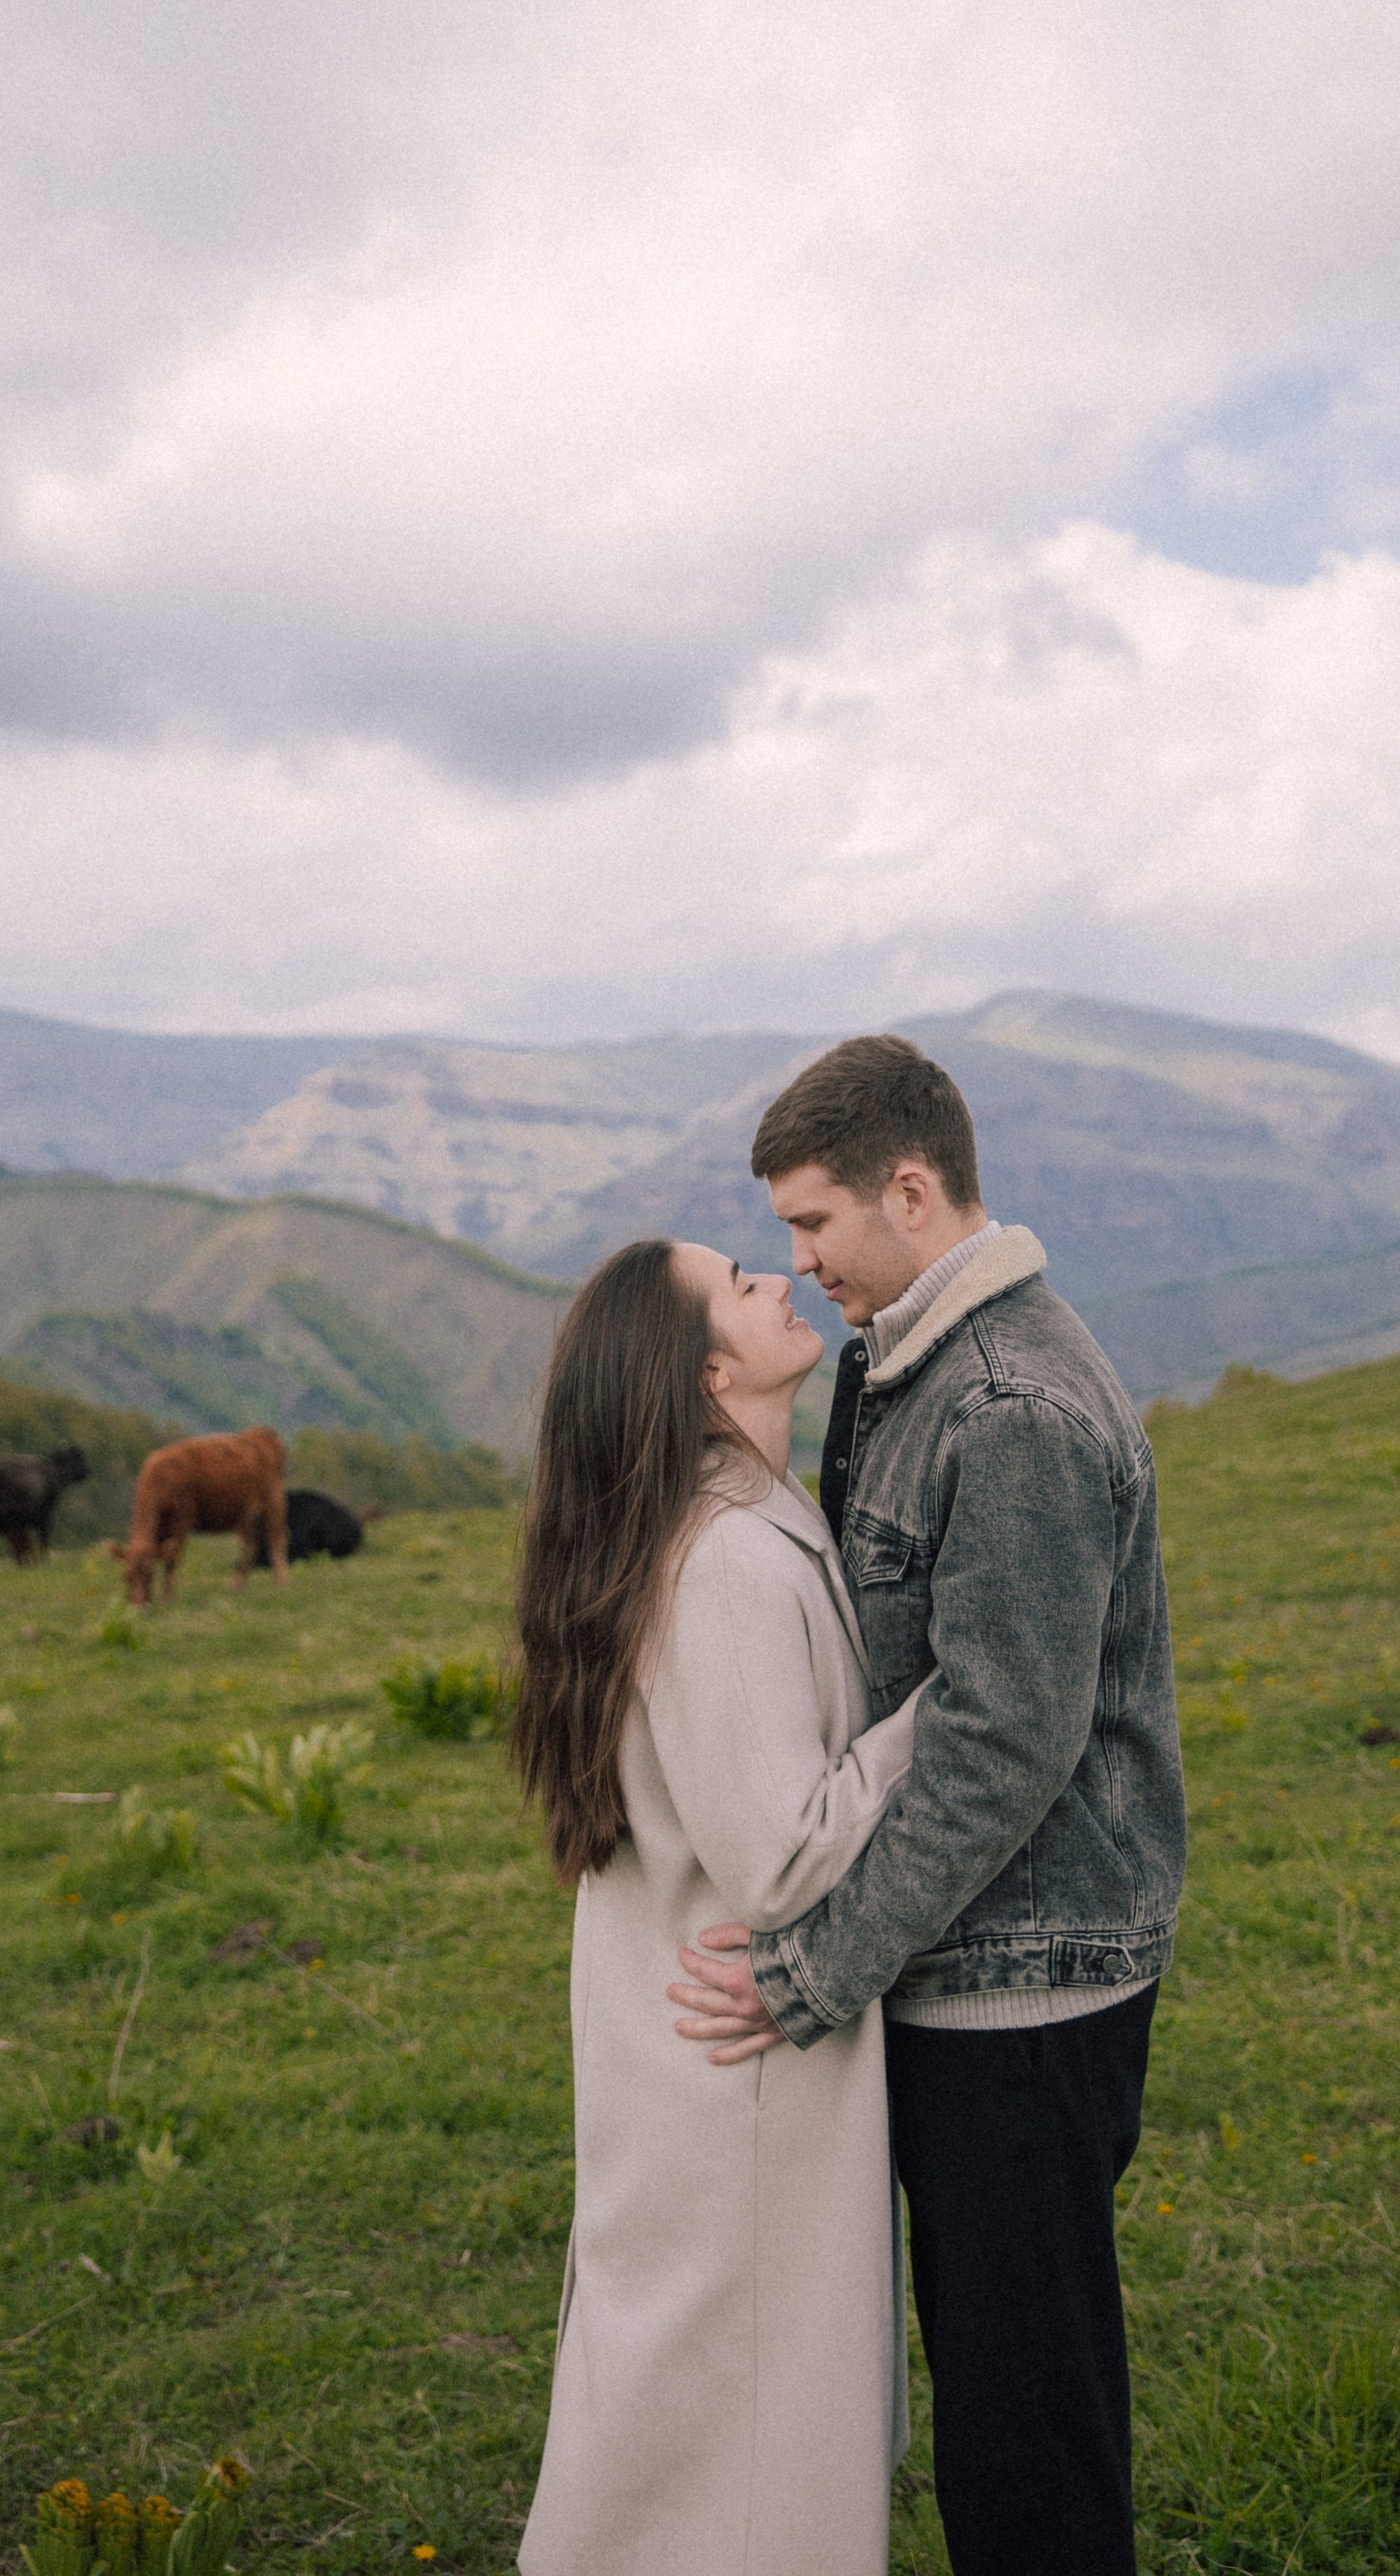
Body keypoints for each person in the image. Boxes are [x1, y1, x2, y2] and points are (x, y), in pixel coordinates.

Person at [668, 1034, 1188, 2576]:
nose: (800, 1262)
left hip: (1022, 1991)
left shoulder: (1010, 1403)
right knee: (994, 2392)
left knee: (1026, 2431)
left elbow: (998, 1744)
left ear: (910, 1188)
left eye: (815, 1224)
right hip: (971, 1967)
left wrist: (817, 1971)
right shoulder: (911, 1355)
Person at [511, 1233, 928, 2576]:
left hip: (681, 2060)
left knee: (679, 2417)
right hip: (736, 2080)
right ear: (705, 1374)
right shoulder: (727, 1565)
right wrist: (950, 1712)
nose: (783, 1282)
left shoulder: (708, 1530)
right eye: (746, 1283)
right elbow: (789, 1858)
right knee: (742, 2440)